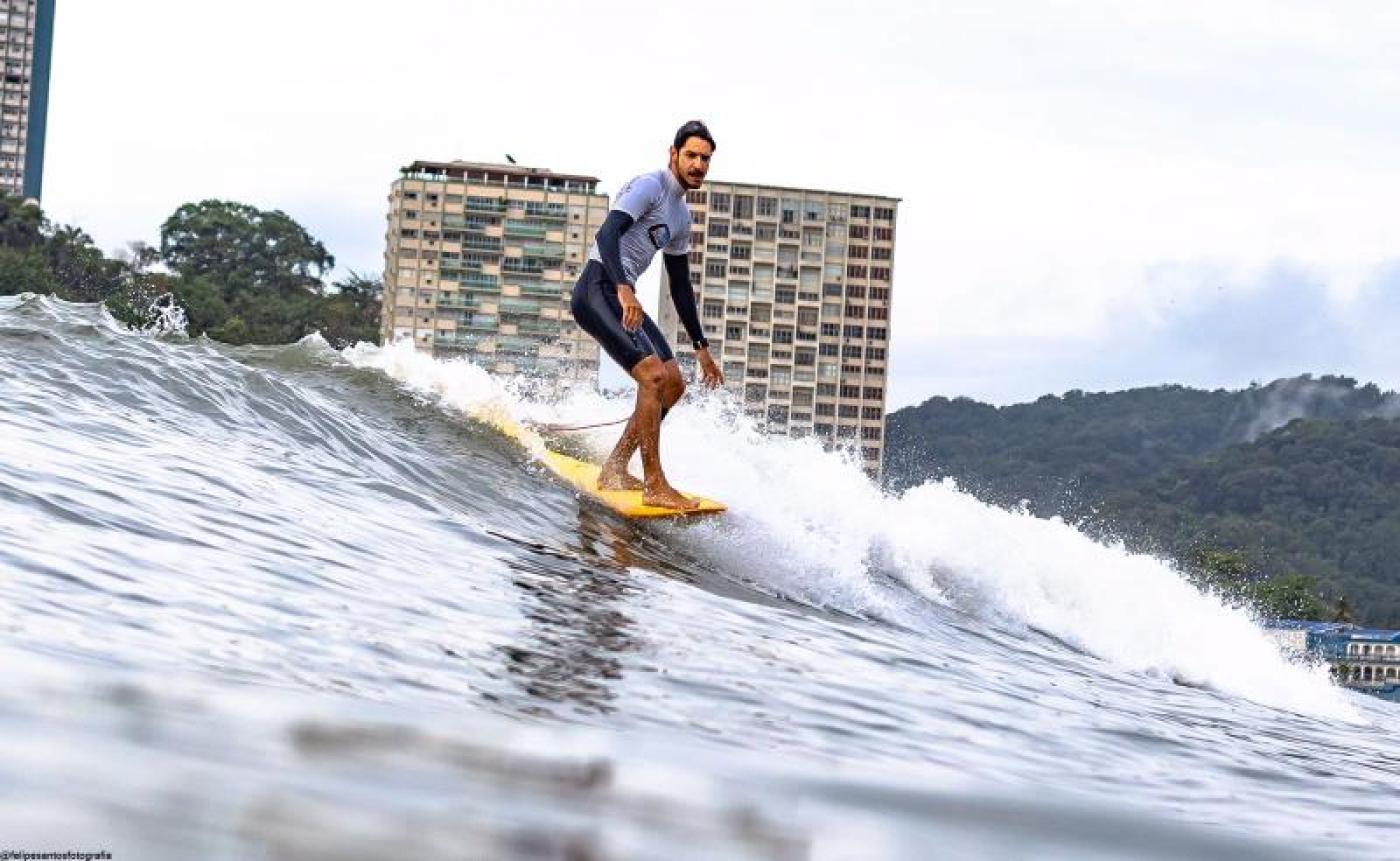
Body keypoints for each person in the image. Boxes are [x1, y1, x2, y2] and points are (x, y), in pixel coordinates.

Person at [570, 120, 724, 510]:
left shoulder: (682, 217)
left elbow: (680, 285)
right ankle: (655, 484)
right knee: (653, 376)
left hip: (622, 293)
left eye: (705, 159)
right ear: (673, 154)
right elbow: (607, 234)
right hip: (598, 288)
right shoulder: (650, 186)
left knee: (673, 384)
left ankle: (616, 468)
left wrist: (701, 348)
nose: (698, 165)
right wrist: (624, 289)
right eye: (691, 155)